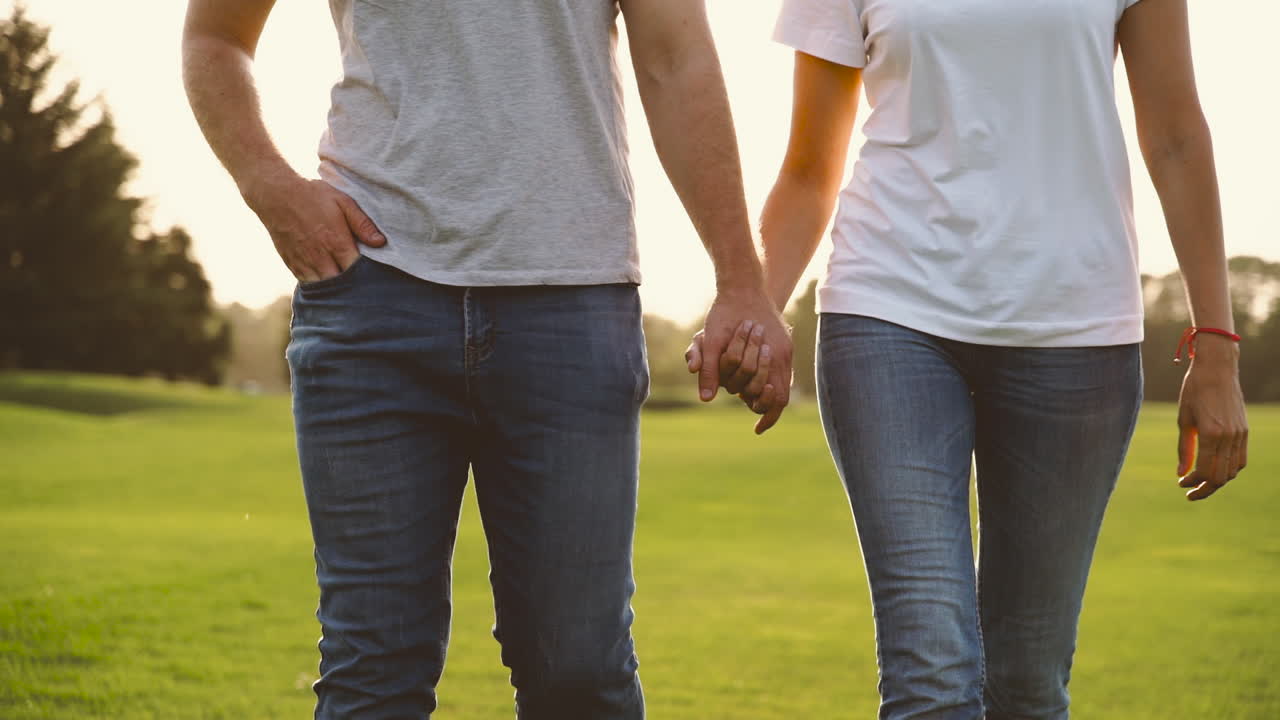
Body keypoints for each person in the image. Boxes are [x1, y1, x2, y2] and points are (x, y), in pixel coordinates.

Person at [181, 1, 793, 717]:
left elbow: (676, 59)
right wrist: (269, 186)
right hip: (372, 297)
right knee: (371, 674)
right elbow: (215, 36)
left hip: (572, 305)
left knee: (578, 674)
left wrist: (741, 282)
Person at [693, 0, 1249, 717]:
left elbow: (1174, 134)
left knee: (1025, 681)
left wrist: (1217, 347)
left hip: (1075, 335)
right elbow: (808, 170)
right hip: (889, 314)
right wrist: (755, 311)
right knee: (930, 672)